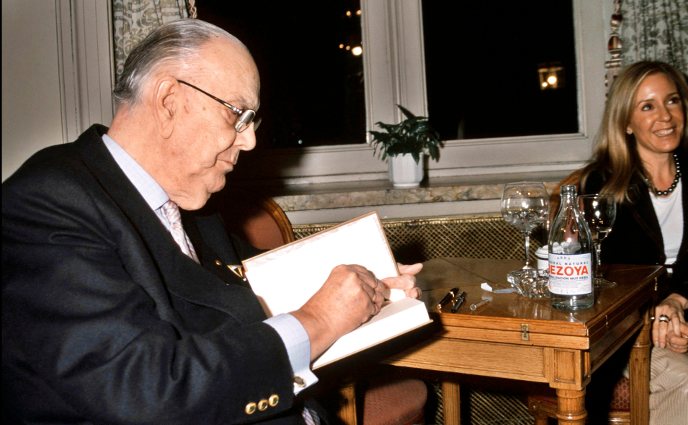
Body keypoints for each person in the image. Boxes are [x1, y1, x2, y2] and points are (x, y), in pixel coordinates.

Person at [2, 19, 423, 424]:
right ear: (170, 101)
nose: (250, 139)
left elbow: (260, 288)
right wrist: (320, 321)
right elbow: (143, 390)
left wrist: (371, 281)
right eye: (237, 115)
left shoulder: (190, 201)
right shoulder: (45, 203)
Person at [574, 60, 688, 424]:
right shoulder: (602, 186)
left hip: (681, 315)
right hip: (623, 329)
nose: (666, 116)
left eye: (672, 101)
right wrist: (650, 316)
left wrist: (677, 303)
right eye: (647, 106)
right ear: (626, 122)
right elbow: (598, 276)